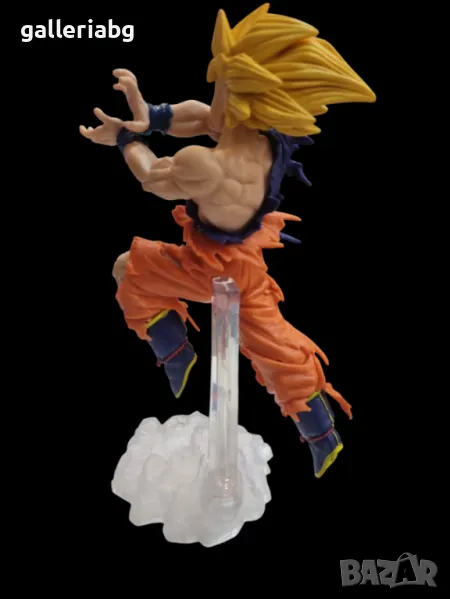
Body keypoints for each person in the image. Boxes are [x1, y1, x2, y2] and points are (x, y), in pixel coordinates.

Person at [80, 4, 376, 478]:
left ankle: (174, 350)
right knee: (276, 349)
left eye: (221, 83)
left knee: (128, 269)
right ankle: (322, 434)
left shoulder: (207, 165)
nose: (214, 94)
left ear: (242, 91)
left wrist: (123, 139)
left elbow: (153, 177)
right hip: (246, 258)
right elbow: (202, 117)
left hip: (214, 268)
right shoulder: (264, 133)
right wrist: (151, 115)